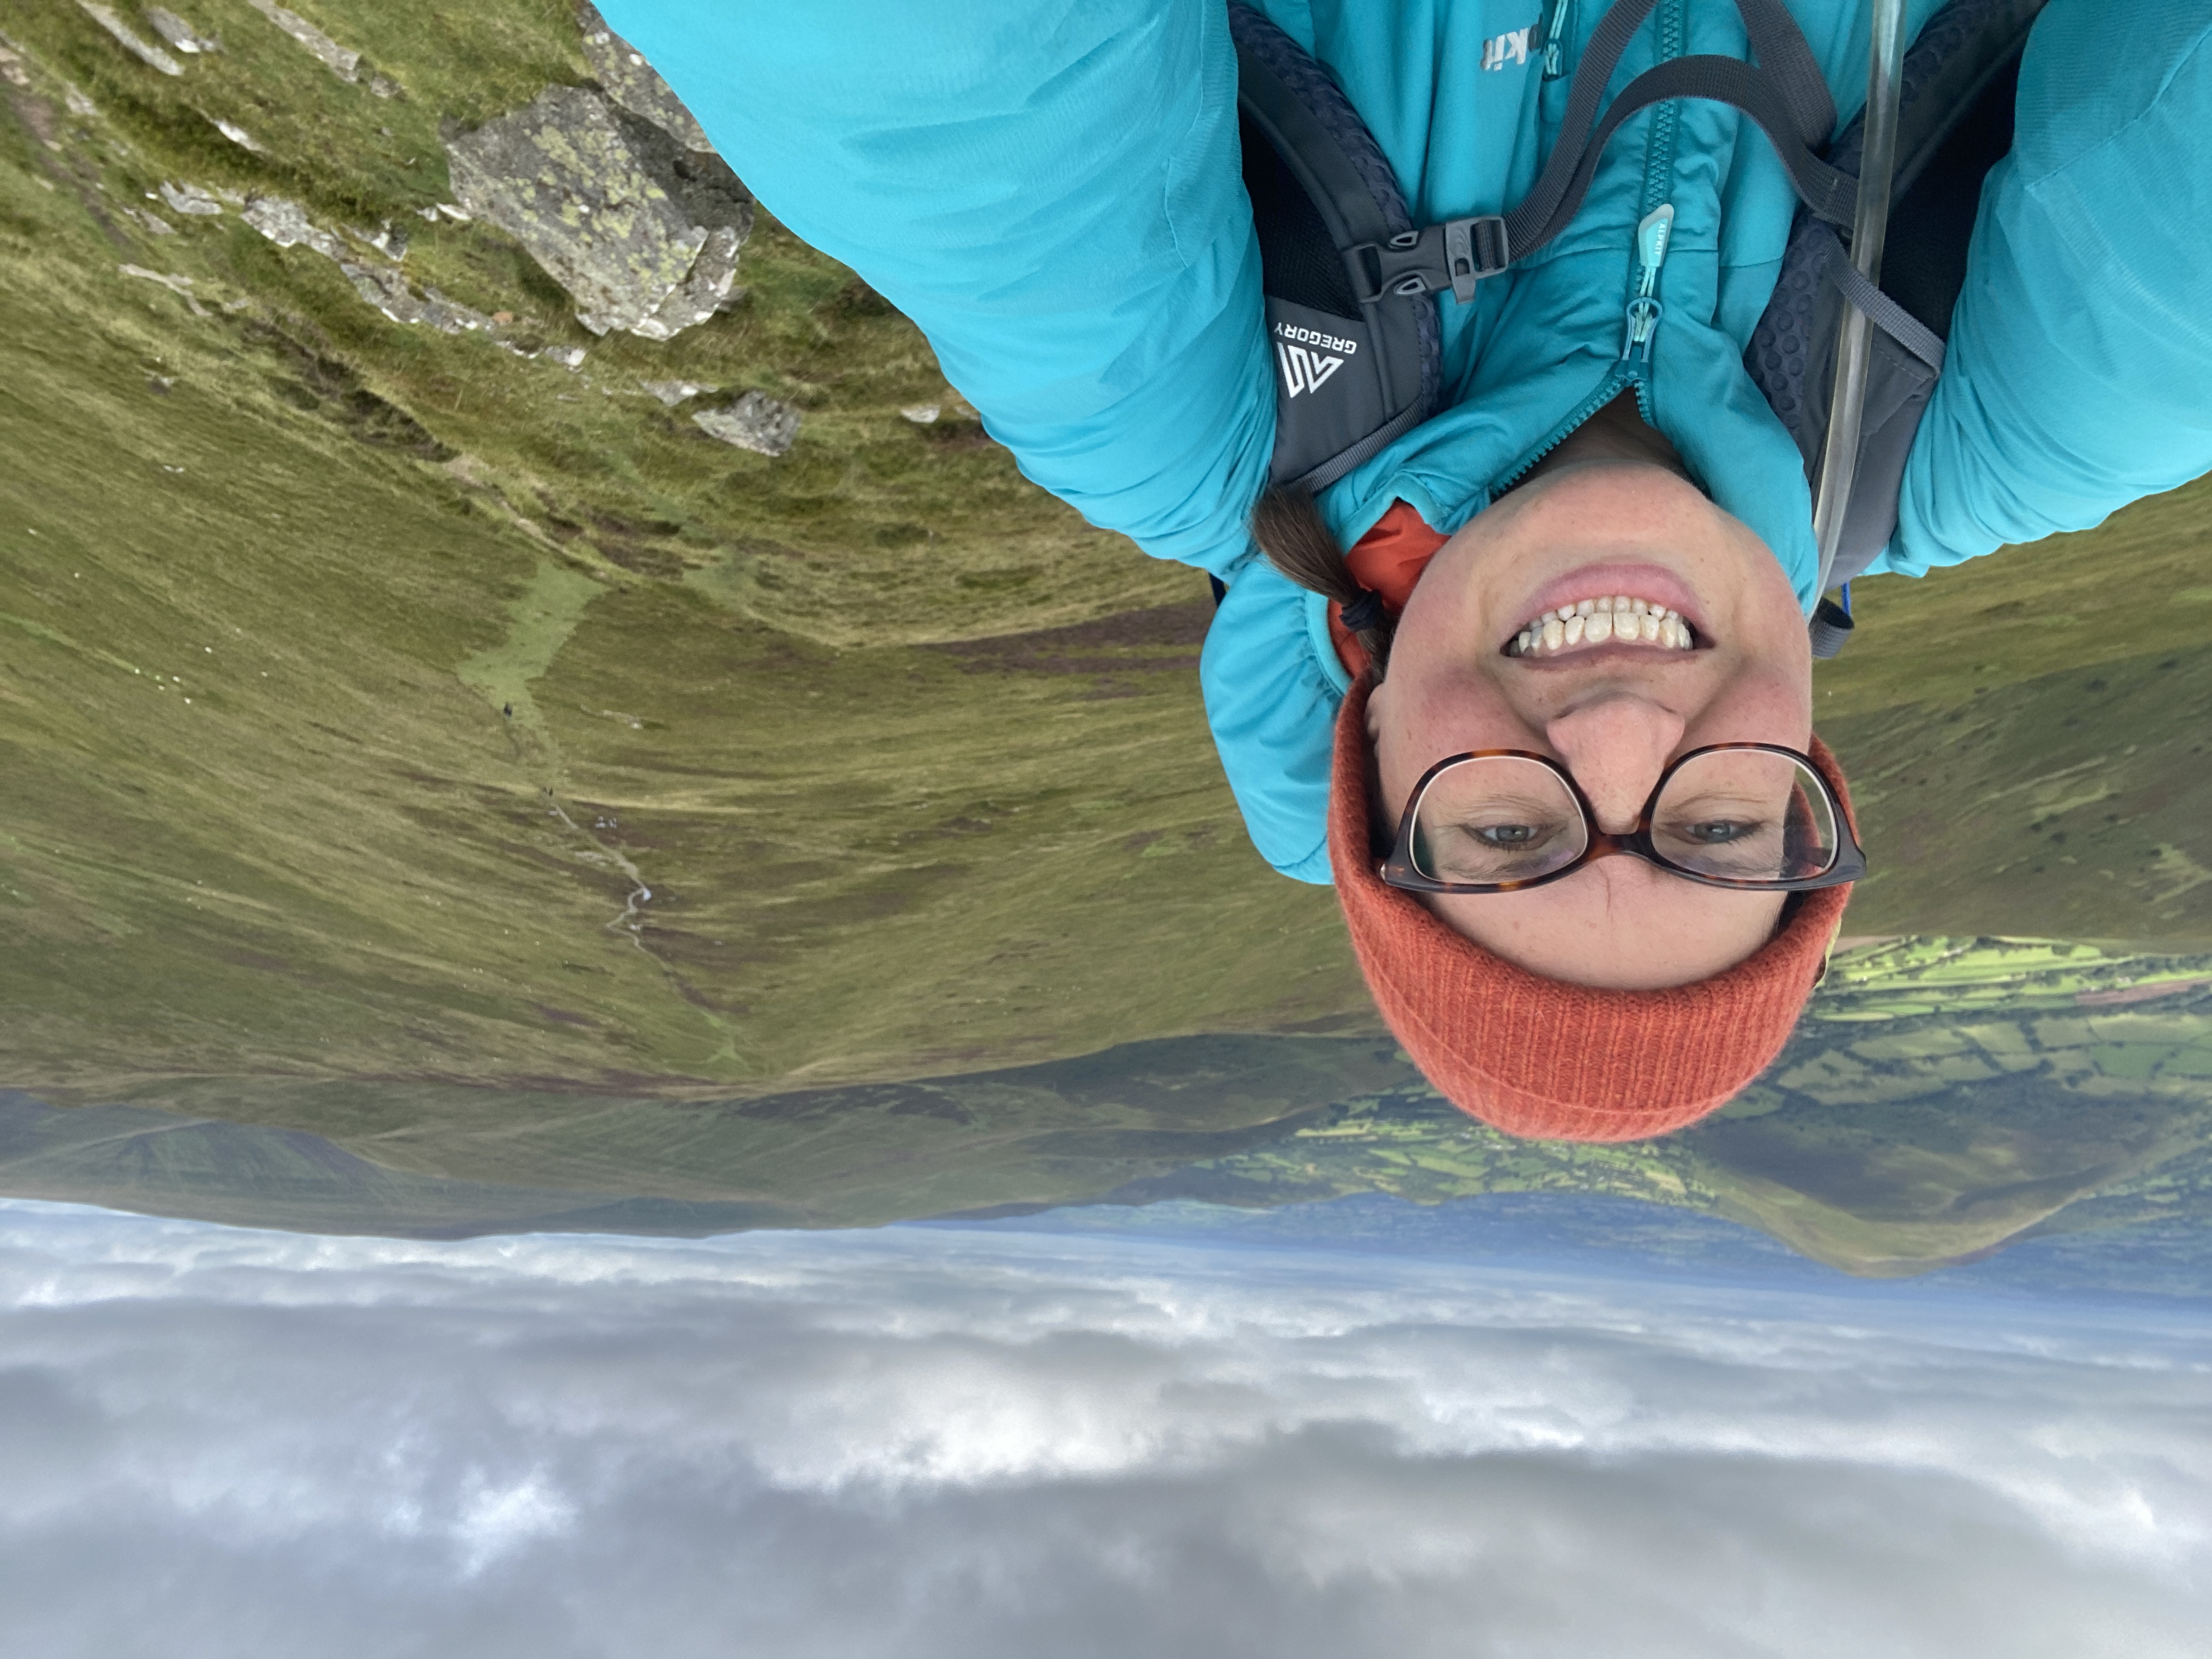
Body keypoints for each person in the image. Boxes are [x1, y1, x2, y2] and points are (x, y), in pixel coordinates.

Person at [599, 0, 2212, 1139]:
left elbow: (946, 90)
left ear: (1365, 749)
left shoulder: (1201, 407)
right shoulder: (1964, 419)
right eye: (1720, 830)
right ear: (1811, 779)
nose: (1622, 741)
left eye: (1510, 834)